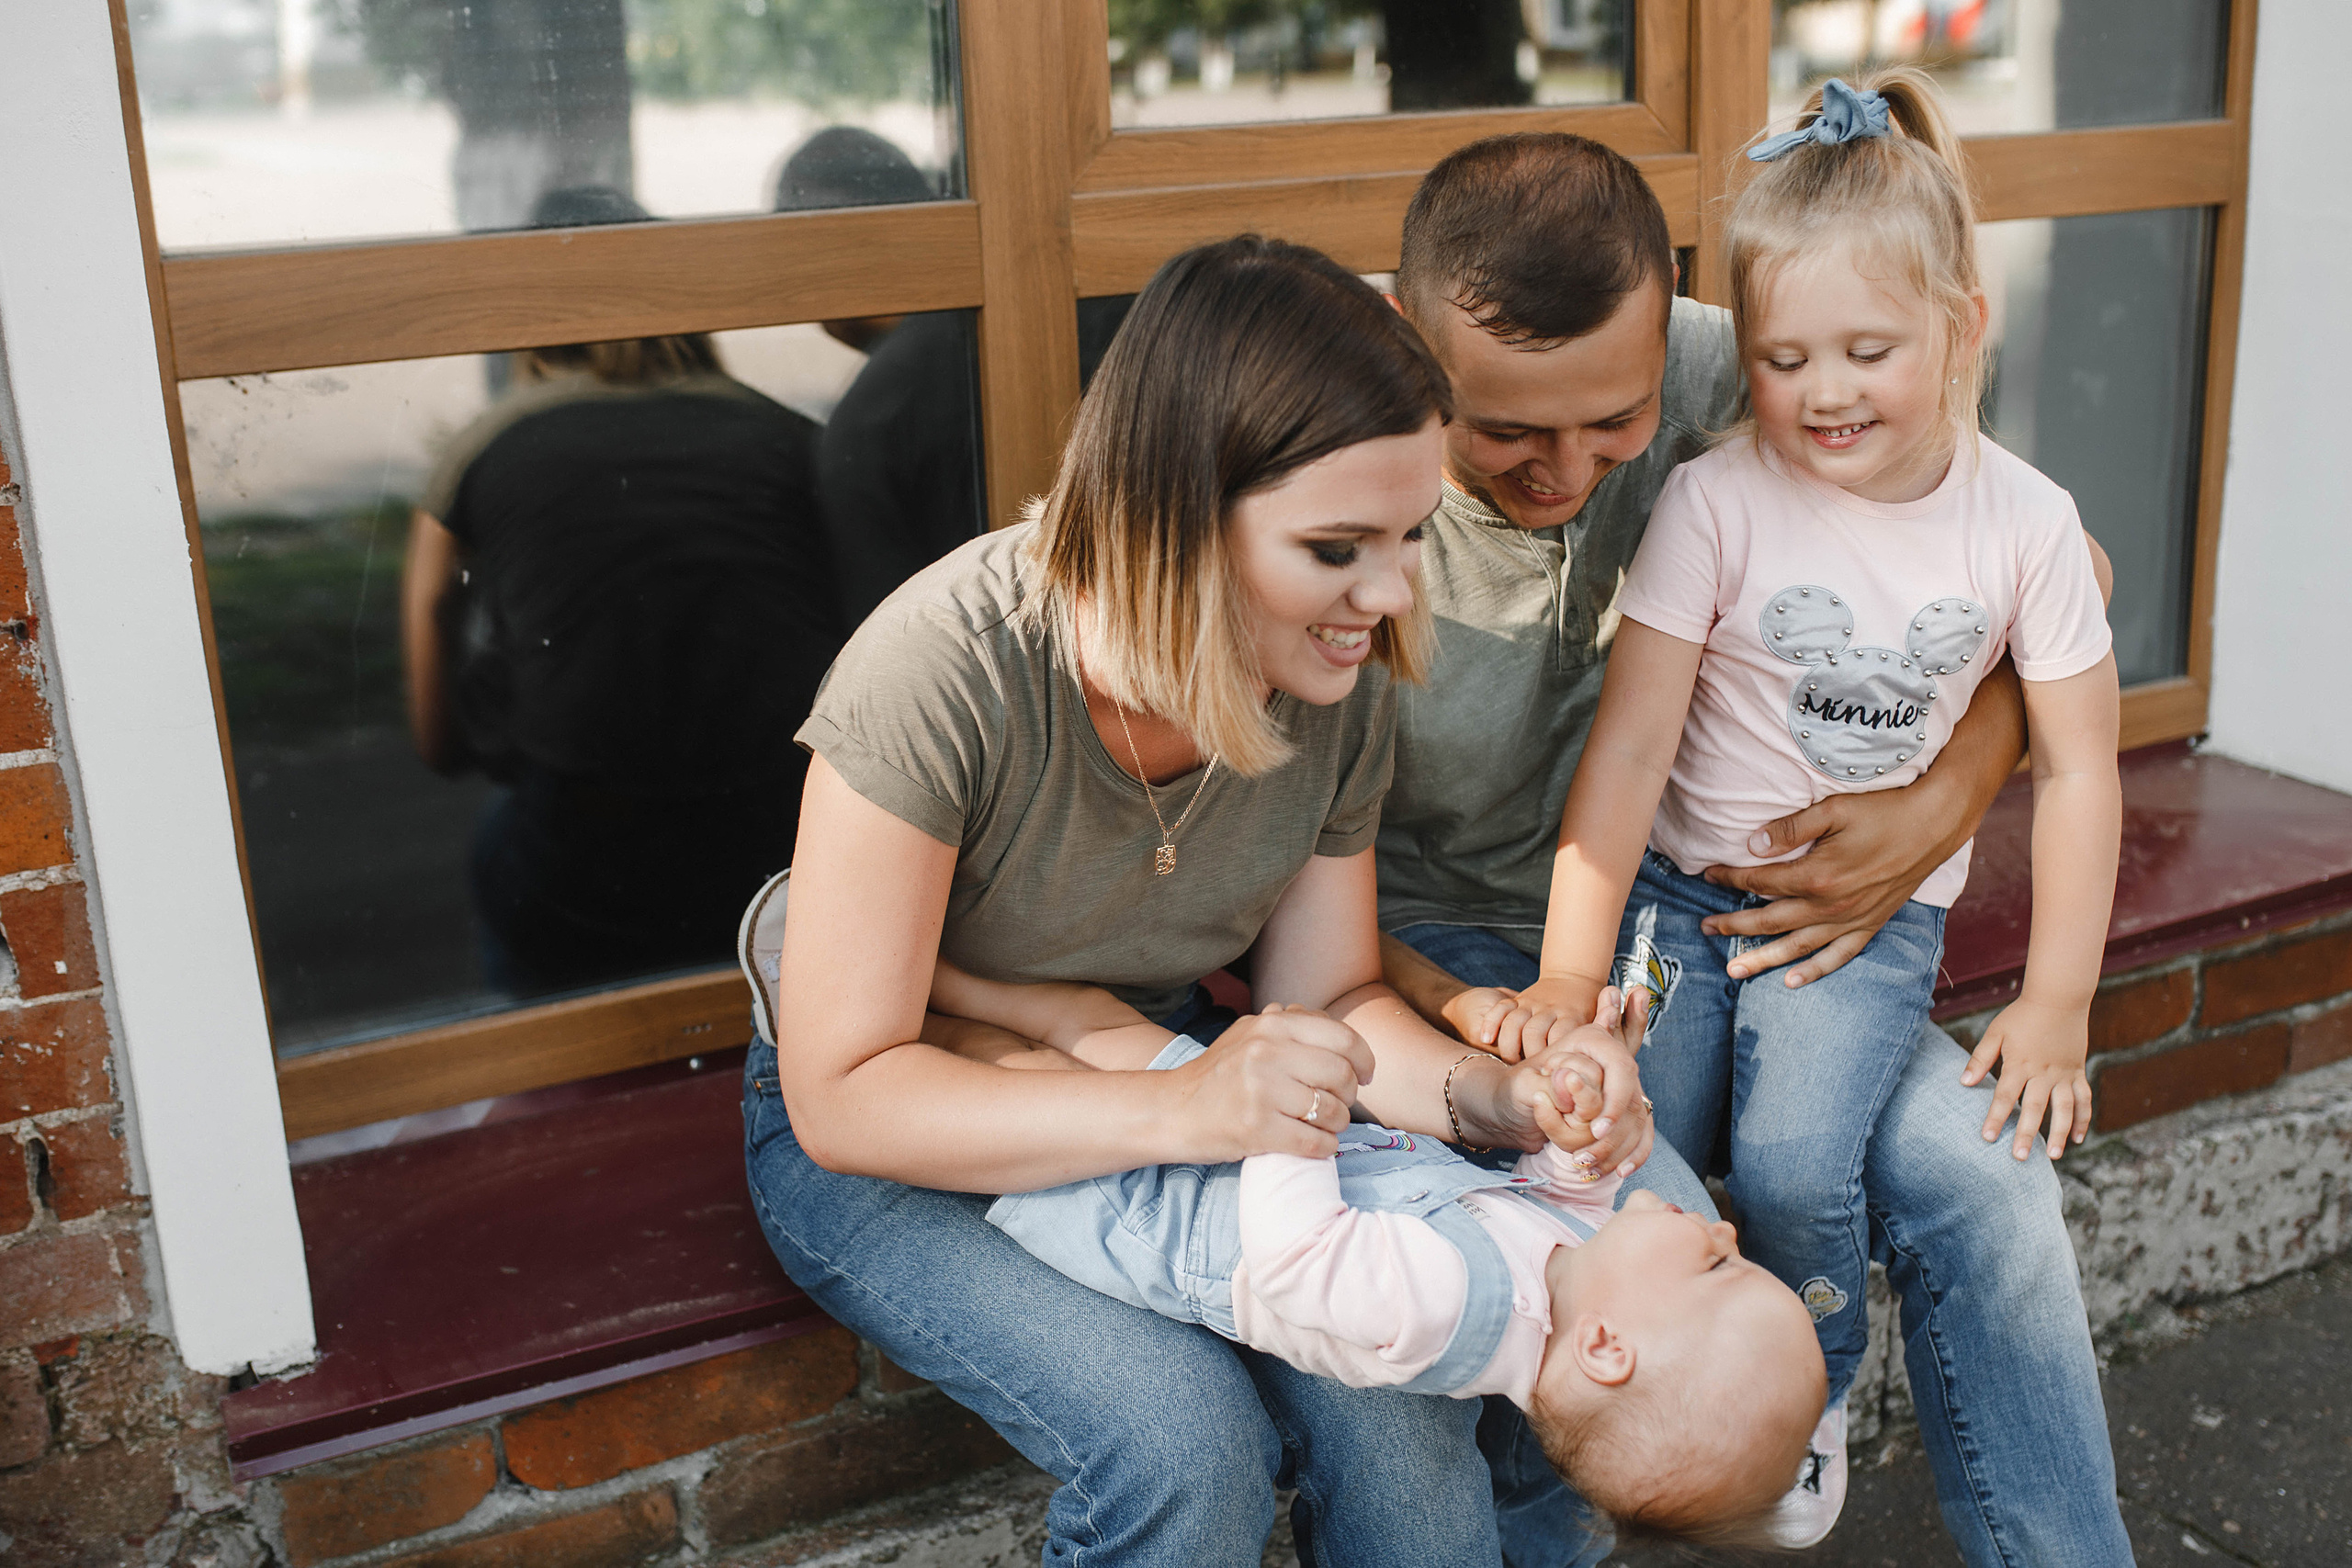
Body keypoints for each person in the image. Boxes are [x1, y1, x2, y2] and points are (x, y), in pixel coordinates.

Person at [745, 234, 1659, 1567]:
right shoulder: (940, 671)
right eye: (1339, 545)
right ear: (1174, 506)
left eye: (1409, 535)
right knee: (1184, 1447)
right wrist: (1182, 1107)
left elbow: (1334, 995)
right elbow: (845, 1089)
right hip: (909, 1128)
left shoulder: (1332, 669)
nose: (1392, 595)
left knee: (1405, 1430)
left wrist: (1497, 1100)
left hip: (1174, 1073)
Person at [1367, 134, 2137, 1567]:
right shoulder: (1333, 447)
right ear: (1413, 346)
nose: (1571, 468)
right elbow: (1272, 880)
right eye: (1508, 435)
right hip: (1465, 949)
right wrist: (1495, 1013)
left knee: (1987, 1173)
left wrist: (1940, 803)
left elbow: (2064, 573)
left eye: (1616, 420)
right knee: (1613, 1231)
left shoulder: (1768, 356)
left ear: (1668, 315)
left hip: (1766, 912)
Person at [922, 962, 1826, 1547]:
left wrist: (1294, 1120)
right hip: (1222, 1127)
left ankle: (895, 1020)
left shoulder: (1437, 1309)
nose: (1724, 1229)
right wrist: (1577, 1134)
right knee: (1081, 1009)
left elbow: (1293, 1256)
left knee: (1013, 1073)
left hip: (1153, 1206)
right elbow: (1552, 1200)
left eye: (1717, 1267)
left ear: (1605, 1348)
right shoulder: (1572, 1270)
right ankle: (939, 970)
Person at [401, 185, 843, 995]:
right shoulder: (791, 439)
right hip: (776, 846)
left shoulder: (484, 449)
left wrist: (449, 743)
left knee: (501, 853)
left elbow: (432, 620)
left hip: (578, 856)